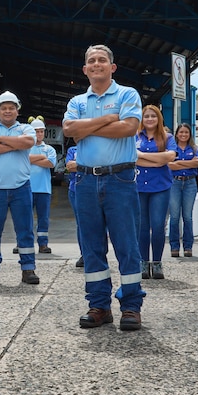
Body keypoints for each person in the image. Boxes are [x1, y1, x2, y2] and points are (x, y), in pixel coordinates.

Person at [63, 45, 145, 331]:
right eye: (91, 61)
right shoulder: (77, 100)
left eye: (102, 60)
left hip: (119, 178)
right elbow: (69, 130)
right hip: (85, 180)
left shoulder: (127, 94)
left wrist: (86, 128)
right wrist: (109, 119)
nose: (96, 63)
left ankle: (131, 306)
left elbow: (129, 128)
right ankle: (99, 305)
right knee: (92, 246)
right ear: (85, 69)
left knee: (127, 244)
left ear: (112, 67)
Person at [0, 91, 38, 286]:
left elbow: (28, 142)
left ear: (17, 110)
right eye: (3, 108)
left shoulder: (26, 128)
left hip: (21, 187)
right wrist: (15, 144)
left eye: (11, 108)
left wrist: (0, 140)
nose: (7, 111)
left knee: (25, 230)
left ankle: (28, 269)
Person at [135, 105, 176, 280]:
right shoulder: (135, 137)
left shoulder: (167, 137)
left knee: (158, 225)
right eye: (147, 116)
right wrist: (158, 160)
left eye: (153, 116)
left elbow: (170, 157)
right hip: (139, 187)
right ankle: (143, 262)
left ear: (159, 118)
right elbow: (130, 157)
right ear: (141, 119)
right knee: (142, 227)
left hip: (160, 187)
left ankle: (157, 262)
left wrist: (142, 156)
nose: (150, 119)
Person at [168, 123, 198, 258]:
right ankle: (174, 247)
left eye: (186, 132)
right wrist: (189, 163)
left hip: (190, 183)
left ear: (190, 134)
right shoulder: (172, 148)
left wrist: (178, 163)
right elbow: (169, 165)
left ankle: (188, 246)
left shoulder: (194, 148)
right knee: (174, 216)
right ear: (177, 134)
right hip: (174, 183)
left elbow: (197, 163)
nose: (183, 135)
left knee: (187, 216)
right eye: (181, 132)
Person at [27, 116, 57, 254]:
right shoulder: (25, 148)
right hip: (26, 188)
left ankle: (43, 244)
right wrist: (41, 158)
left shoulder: (49, 149)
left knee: (43, 218)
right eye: (36, 131)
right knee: (24, 217)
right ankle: (22, 242)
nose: (39, 134)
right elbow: (22, 160)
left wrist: (31, 160)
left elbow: (50, 163)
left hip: (44, 189)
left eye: (41, 131)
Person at [64, 142, 84, 267]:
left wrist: (77, 164)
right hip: (75, 190)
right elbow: (69, 167)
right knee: (81, 224)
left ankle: (97, 253)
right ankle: (84, 254)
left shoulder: (95, 147)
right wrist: (87, 165)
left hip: (91, 189)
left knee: (96, 223)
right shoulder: (73, 150)